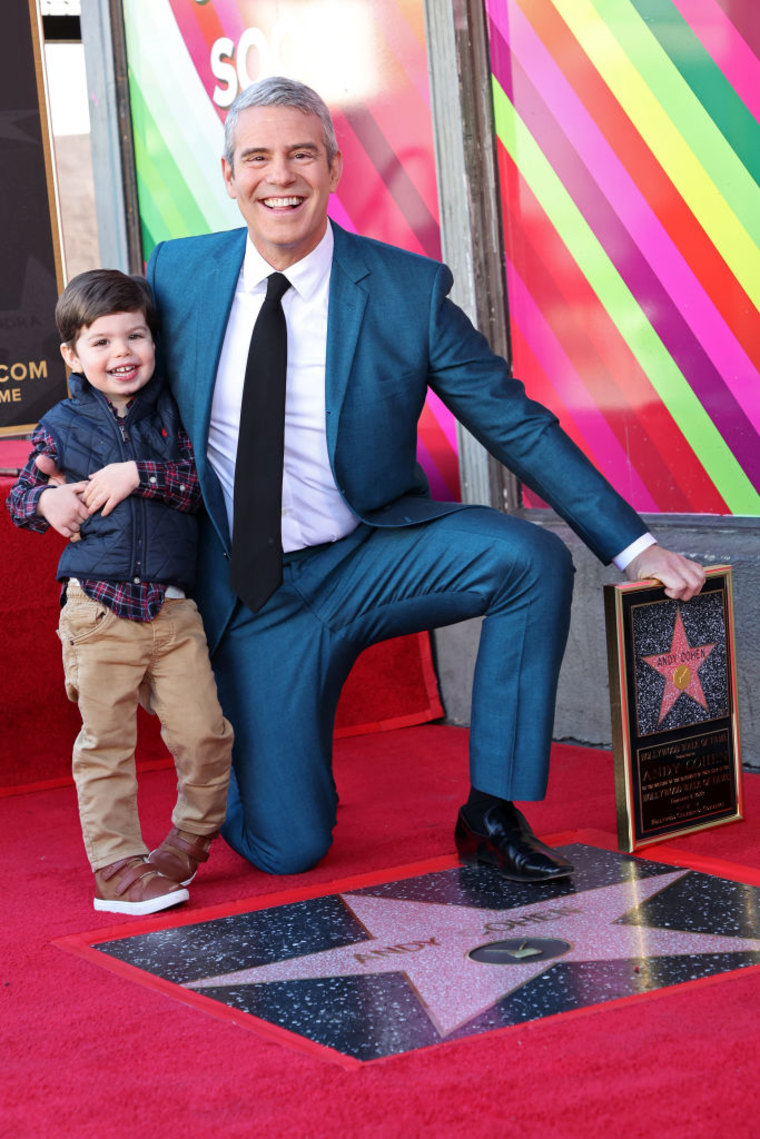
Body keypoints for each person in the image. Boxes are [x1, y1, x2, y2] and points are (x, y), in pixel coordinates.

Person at [143, 76, 704, 884]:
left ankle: (493, 810)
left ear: (334, 168)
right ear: (228, 174)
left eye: (302, 153)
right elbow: (115, 389)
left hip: (367, 554)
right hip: (254, 596)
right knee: (289, 846)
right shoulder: (178, 276)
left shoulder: (405, 290)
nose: (281, 176)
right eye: (257, 157)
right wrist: (56, 473)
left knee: (528, 560)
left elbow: (513, 419)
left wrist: (636, 546)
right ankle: (257, 752)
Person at [6, 270, 233, 915]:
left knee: (205, 735)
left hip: (172, 610)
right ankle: (116, 869)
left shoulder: (175, 413)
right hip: (98, 611)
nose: (122, 352)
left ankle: (185, 844)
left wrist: (138, 473)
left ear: (155, 342)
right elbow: (23, 496)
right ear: (72, 357)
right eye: (101, 342)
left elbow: (199, 487)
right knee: (105, 744)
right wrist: (46, 498)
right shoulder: (61, 424)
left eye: (135, 336)